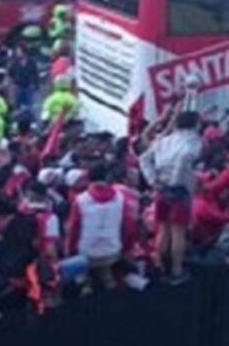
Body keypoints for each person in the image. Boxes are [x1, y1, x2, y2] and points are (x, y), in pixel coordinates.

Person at [139, 108, 203, 284]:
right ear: (195, 124)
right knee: (178, 232)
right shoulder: (193, 142)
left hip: (161, 188)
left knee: (164, 228)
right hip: (180, 191)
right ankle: (176, 270)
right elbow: (183, 160)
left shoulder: (164, 140)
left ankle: (159, 265)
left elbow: (143, 158)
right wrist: (175, 183)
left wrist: (153, 181)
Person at [65, 163, 133, 291]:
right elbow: (128, 225)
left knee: (82, 269)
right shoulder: (120, 198)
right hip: (113, 251)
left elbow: (73, 230)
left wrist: (70, 252)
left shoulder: (80, 200)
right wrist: (125, 248)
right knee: (105, 266)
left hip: (87, 253)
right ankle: (109, 283)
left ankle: (85, 286)